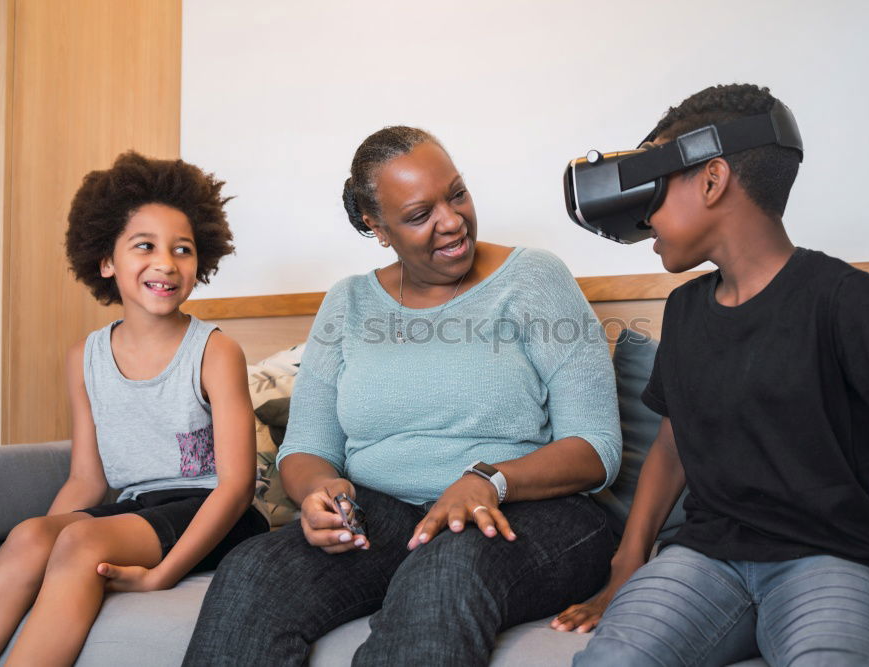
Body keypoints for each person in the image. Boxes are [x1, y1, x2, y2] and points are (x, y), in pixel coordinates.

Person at [552, 84, 869, 666]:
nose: (644, 214)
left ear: (712, 179)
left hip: (831, 560)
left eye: (656, 190)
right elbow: (675, 447)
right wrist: (624, 572)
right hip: (702, 560)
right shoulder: (683, 310)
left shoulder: (844, 300)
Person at [182, 126, 622, 666]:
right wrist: (321, 492)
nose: (452, 221)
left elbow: (597, 447)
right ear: (378, 227)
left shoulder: (533, 279)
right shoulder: (347, 304)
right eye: (419, 215)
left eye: (457, 194)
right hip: (382, 519)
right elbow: (306, 448)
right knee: (253, 571)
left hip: (531, 512)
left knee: (449, 565)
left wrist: (489, 479)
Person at [0, 152, 269, 666]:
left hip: (216, 514)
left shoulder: (214, 350)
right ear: (106, 261)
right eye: (145, 246)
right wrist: (41, 545)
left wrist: (164, 573)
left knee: (82, 542)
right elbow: (87, 482)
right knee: (30, 533)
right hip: (137, 509)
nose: (166, 262)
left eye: (182, 249)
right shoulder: (84, 357)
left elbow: (236, 487)